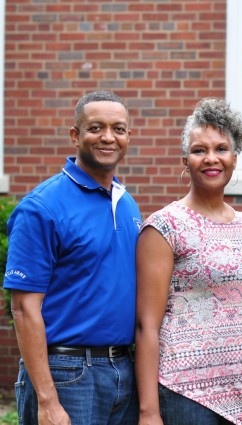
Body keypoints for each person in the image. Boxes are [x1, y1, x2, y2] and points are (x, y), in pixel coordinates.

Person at [4, 90, 141, 424]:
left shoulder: (127, 204)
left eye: (118, 129)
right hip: (66, 373)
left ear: (128, 136)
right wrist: (47, 400)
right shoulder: (42, 208)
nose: (108, 137)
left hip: (123, 369)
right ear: (75, 135)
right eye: (96, 128)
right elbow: (24, 309)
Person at [135, 98, 242, 425]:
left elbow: (238, 310)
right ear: (185, 160)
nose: (211, 158)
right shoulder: (165, 226)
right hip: (187, 395)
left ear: (235, 158)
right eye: (199, 150)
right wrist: (149, 412)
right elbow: (146, 326)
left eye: (221, 148)